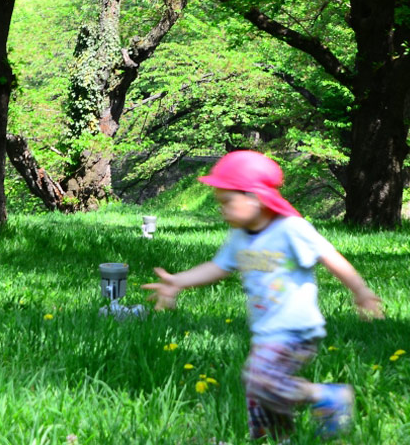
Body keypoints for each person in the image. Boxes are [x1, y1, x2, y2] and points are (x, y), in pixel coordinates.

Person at [142, 150, 384, 440]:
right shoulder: (240, 237)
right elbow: (217, 267)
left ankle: (326, 396)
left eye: (227, 202)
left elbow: (328, 256)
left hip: (296, 329)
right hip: (267, 332)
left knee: (259, 379)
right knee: (257, 393)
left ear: (254, 197)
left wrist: (360, 291)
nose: (221, 209)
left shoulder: (290, 229)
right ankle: (273, 437)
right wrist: (177, 282)